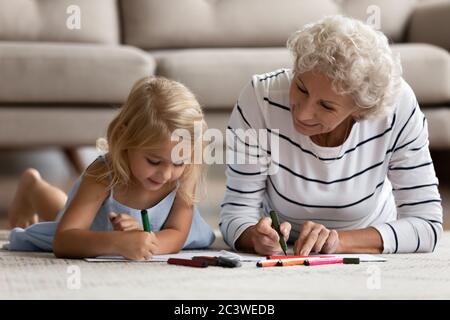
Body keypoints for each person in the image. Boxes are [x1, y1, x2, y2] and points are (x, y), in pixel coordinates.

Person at [220, 15, 443, 255]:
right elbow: (236, 213)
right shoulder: (260, 98)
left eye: (326, 106)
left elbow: (426, 225)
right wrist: (254, 237)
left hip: (367, 236)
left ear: (361, 110)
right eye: (301, 88)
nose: (303, 114)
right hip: (286, 244)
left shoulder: (397, 106)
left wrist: (337, 242)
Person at [7, 76, 215, 260]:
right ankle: (33, 185)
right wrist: (117, 242)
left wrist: (144, 241)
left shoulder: (186, 173)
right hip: (94, 232)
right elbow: (64, 239)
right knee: (62, 216)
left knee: (66, 210)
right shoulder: (103, 173)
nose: (167, 174)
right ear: (124, 139)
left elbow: (177, 233)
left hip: (146, 235)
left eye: (178, 162)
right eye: (154, 161)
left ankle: (34, 187)